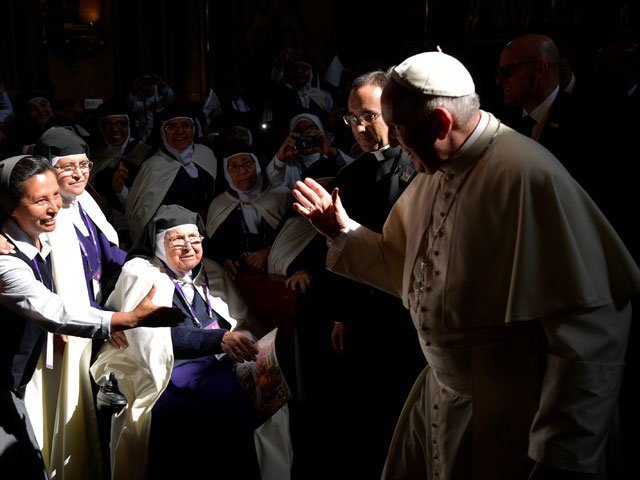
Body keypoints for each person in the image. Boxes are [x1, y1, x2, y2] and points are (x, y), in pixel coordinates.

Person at [292, 50, 640, 480]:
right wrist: (341, 231)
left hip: (511, 418)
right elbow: (408, 272)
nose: (394, 140)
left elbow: (592, 328)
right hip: (440, 396)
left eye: (398, 127)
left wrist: (561, 450)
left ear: (440, 124)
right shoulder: (438, 169)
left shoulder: (525, 176)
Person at [0, 154, 180, 479]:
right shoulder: (7, 261)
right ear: (10, 205)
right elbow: (50, 308)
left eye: (56, 194)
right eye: (40, 200)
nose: (55, 206)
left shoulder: (36, 236)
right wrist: (122, 320)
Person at [90, 204, 293, 480]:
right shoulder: (142, 274)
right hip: (163, 368)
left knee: (269, 403)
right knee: (211, 407)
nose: (188, 247)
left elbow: (239, 321)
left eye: (194, 239)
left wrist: (246, 344)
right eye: (176, 240)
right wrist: (218, 340)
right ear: (158, 243)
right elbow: (152, 339)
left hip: (218, 360)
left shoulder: (210, 270)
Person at [324, 69, 424, 479]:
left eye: (368, 115)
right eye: (352, 118)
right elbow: (342, 253)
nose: (360, 127)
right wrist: (341, 314)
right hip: (365, 316)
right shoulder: (349, 175)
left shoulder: (421, 169)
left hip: (409, 312)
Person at [27, 126, 129, 479]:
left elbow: (110, 253)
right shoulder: (40, 213)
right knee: (67, 405)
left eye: (84, 165)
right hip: (63, 329)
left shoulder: (85, 201)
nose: (79, 174)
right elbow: (35, 277)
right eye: (67, 167)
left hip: (95, 317)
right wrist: (52, 324)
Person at [126, 103, 220, 243]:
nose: (180, 132)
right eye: (171, 127)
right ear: (162, 132)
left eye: (185, 125)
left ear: (194, 129)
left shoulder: (206, 155)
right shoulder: (153, 167)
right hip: (170, 241)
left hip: (211, 237)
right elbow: (143, 216)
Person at [496, 33, 580, 166]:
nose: (498, 80)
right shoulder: (499, 120)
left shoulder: (582, 120)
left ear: (540, 69)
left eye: (507, 71)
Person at [88, 100, 151, 247]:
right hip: (103, 230)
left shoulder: (145, 156)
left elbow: (149, 202)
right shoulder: (96, 157)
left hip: (136, 232)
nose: (115, 130)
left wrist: (120, 190)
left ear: (130, 125)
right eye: (108, 124)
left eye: (121, 123)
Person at [266, 112, 352, 190]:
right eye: (299, 131)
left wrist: (331, 152)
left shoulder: (332, 154)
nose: (305, 133)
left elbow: (353, 171)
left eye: (310, 128)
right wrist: (280, 158)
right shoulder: (291, 165)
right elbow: (275, 184)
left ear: (320, 130)